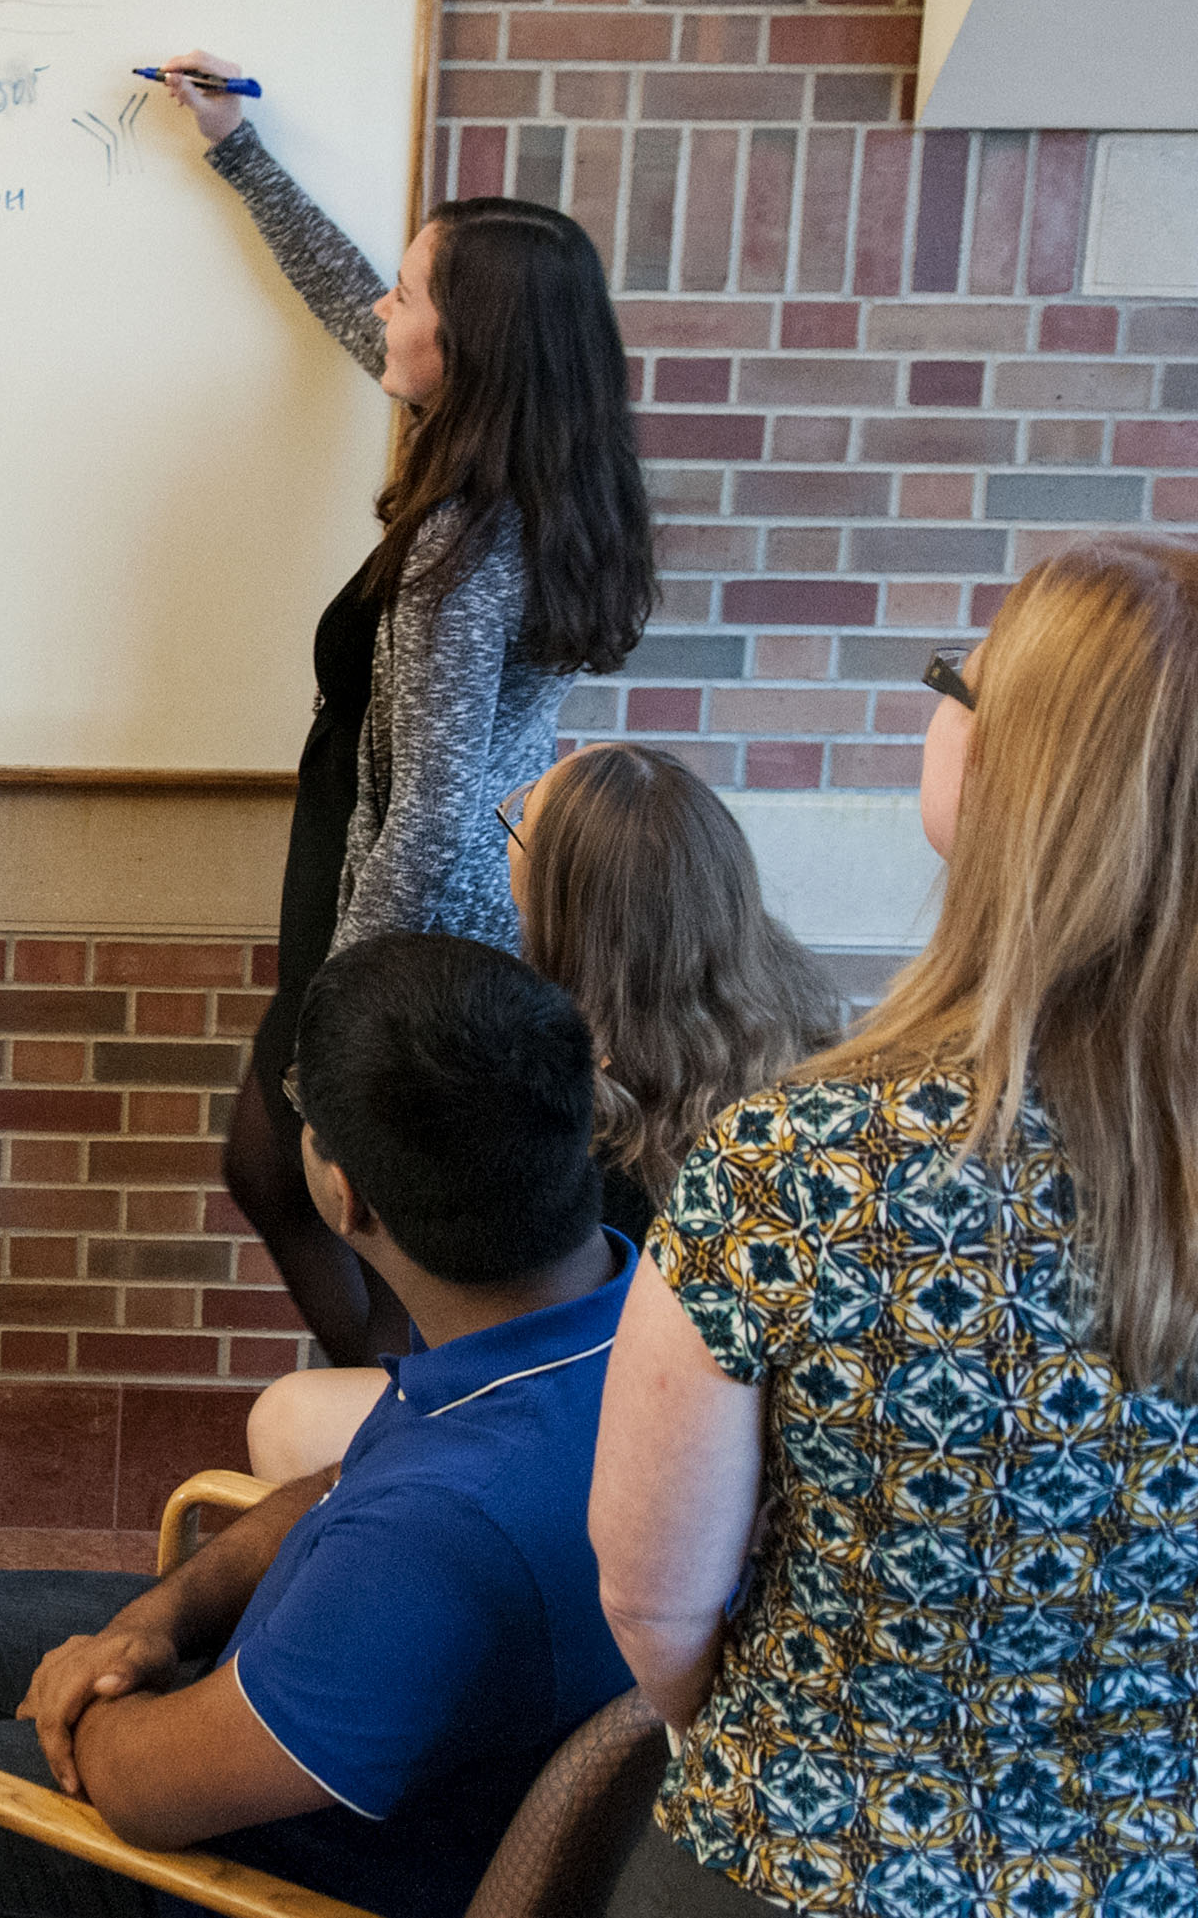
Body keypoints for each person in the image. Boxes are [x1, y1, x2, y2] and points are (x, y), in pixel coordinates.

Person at [0, 933, 638, 1918]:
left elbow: (151, 1790)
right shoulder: (612, 1318)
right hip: (347, 1720)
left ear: (343, 1191)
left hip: (268, 1874)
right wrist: (152, 1621)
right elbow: (338, 1487)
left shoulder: (439, 1539)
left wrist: (100, 1692)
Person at [592, 535, 1198, 1917]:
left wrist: (799, 1747)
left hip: (806, 1862)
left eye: (953, 680)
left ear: (1005, 772)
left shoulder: (800, 1162)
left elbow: (654, 1605)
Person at [158, 48, 656, 1366]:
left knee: (303, 1170)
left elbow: (431, 804)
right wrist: (237, 152)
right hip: (396, 882)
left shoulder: (466, 537)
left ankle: (405, 1400)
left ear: (470, 339)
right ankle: (403, 1393)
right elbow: (344, 301)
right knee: (295, 1174)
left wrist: (343, 1010)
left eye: (411, 292)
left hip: (408, 908)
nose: (384, 308)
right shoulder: (502, 458)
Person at [248, 742, 838, 1482]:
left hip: (612, 1425)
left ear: (564, 897)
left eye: (521, 820)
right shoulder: (801, 1031)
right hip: (738, 1424)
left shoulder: (564, 1092)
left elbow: (509, 1329)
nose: (510, 835)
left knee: (288, 1419)